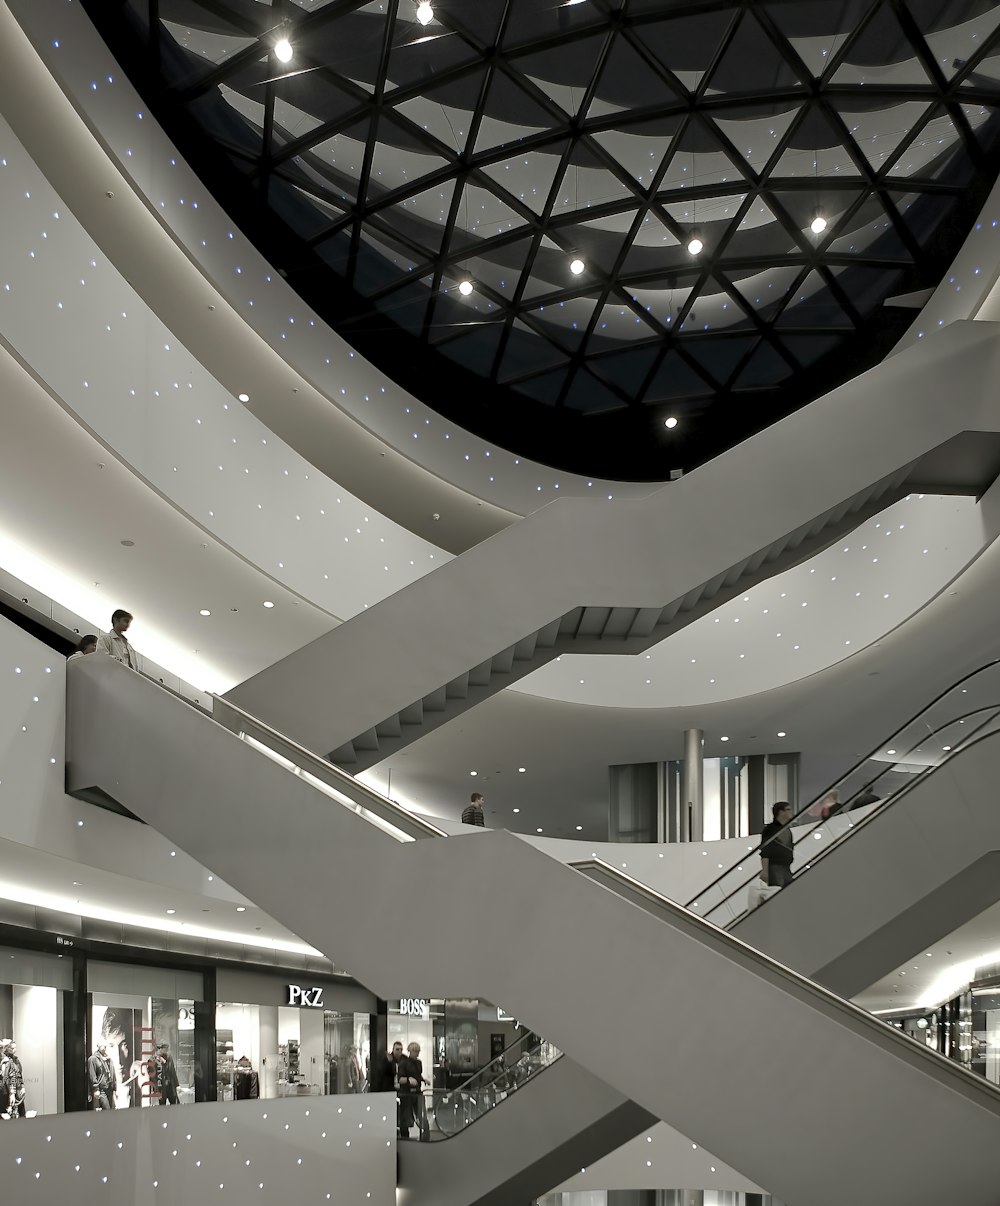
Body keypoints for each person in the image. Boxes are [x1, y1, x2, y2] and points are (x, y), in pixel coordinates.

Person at [397, 1041, 429, 1140]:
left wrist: (423, 1080)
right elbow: (400, 1079)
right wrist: (408, 1080)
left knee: (422, 1116)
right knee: (405, 1118)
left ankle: (426, 1137)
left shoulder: (419, 1063)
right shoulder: (404, 1063)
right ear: (410, 1051)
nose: (417, 1053)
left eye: (418, 1051)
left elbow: (418, 1076)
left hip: (417, 1093)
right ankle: (405, 1139)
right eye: (415, 1051)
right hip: (406, 1094)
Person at [760, 801, 795, 889]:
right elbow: (765, 851)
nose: (791, 812)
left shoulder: (787, 829)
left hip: (786, 866)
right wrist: (765, 871)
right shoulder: (770, 829)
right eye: (788, 809)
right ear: (780, 812)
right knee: (778, 890)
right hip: (775, 866)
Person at [87, 1042, 116, 1110]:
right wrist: (96, 1089)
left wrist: (114, 1089)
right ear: (98, 1046)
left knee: (111, 1110)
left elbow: (113, 1074)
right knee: (107, 1110)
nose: (104, 1046)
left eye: (105, 1044)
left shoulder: (109, 1059)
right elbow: (92, 1075)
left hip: (109, 1088)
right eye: (102, 1044)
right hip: (101, 1089)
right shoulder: (93, 1059)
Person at [2, 1042, 25, 1119]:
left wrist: (22, 1086)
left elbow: (19, 1075)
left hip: (16, 1087)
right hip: (6, 1088)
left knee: (20, 1109)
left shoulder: (16, 1060)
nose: (14, 1050)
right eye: (11, 1048)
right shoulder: (5, 1060)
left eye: (15, 1048)